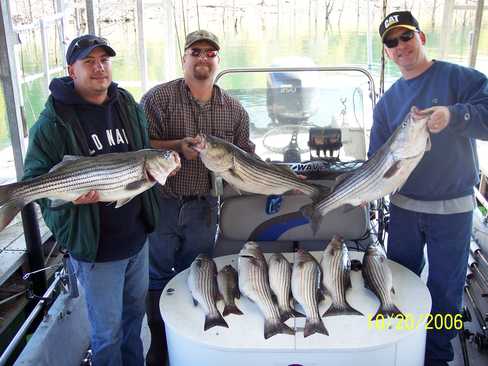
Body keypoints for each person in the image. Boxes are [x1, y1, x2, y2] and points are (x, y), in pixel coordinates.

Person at [22, 35, 161, 366]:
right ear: (72, 70)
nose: (100, 68)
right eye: (89, 62)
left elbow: (143, 158)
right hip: (96, 249)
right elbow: (34, 183)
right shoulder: (52, 122)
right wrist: (69, 203)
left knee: (134, 322)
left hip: (136, 240)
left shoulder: (127, 105)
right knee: (107, 334)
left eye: (104, 60)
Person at [369, 11, 488, 366]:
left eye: (406, 37)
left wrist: (454, 116)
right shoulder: (388, 102)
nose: (400, 46)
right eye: (392, 42)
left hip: (452, 209)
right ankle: (402, 342)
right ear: (387, 52)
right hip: (404, 208)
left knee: (446, 291)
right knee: (400, 281)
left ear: (421, 37)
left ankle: (436, 355)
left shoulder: (460, 78)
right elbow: (376, 159)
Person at [140, 29, 254, 365]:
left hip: (205, 206)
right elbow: (140, 144)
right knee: (157, 275)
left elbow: (246, 156)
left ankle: (193, 338)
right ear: (184, 58)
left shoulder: (234, 110)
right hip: (161, 202)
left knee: (199, 271)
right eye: (195, 51)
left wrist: (279, 180)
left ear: (218, 60)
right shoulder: (157, 99)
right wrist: (176, 146)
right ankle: (160, 342)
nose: (203, 58)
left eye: (210, 53)